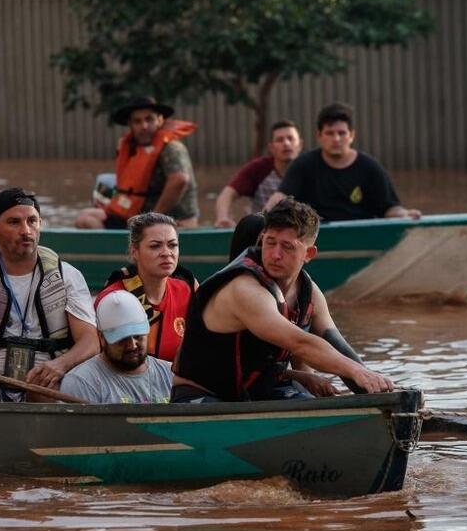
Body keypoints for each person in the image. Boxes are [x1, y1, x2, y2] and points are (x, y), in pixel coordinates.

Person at [171, 197, 395, 402]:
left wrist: (378, 394)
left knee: (313, 407)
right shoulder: (244, 289)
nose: (275, 254)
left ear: (309, 254)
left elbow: (338, 346)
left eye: (288, 247)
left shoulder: (309, 292)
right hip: (201, 396)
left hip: (259, 391)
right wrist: (357, 372)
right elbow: (301, 343)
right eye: (270, 242)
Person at [0, 188, 99, 419]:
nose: (25, 230)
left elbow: (90, 342)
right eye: (14, 222)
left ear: (40, 223)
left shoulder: (68, 277)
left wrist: (60, 365)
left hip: (47, 385)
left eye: (32, 221)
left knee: (45, 385)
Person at [266, 103, 420, 221]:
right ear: (319, 135)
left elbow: (390, 209)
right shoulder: (303, 165)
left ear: (351, 135)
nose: (336, 139)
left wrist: (406, 215)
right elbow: (280, 197)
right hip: (314, 240)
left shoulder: (370, 168)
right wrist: (264, 216)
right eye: (330, 133)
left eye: (342, 133)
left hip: (362, 238)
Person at [75, 96, 199, 229]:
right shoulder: (132, 148)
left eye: (149, 119)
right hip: (138, 217)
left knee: (87, 220)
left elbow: (179, 181)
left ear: (160, 120)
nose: (144, 126)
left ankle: (123, 247)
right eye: (137, 121)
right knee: (84, 217)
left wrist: (152, 220)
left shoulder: (171, 148)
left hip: (171, 221)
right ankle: (119, 248)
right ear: (130, 125)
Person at [96, 212, 195, 362]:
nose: (167, 253)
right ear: (134, 252)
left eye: (172, 245)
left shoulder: (186, 289)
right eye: (155, 246)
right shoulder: (114, 299)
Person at [60, 290, 173, 404]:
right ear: (102, 338)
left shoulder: (171, 374)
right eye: (122, 339)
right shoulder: (81, 383)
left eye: (138, 336)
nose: (132, 345)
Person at [214, 121, 302, 228]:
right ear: (271, 148)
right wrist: (223, 217)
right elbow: (227, 194)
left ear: (300, 144)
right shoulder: (259, 168)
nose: (286, 143)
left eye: (291, 138)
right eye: (279, 140)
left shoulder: (310, 168)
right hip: (263, 231)